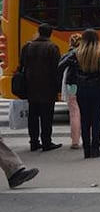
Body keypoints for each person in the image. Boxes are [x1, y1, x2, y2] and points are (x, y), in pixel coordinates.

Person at [60, 29, 100, 159]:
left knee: (85, 120)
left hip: (81, 89)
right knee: (96, 120)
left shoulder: (76, 53)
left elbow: (61, 65)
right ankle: (95, 149)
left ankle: (86, 150)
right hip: (99, 89)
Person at [21, 23, 62, 152]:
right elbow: (57, 69)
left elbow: (22, 65)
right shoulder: (52, 47)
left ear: (38, 32)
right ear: (50, 34)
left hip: (31, 86)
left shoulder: (28, 47)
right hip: (48, 88)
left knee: (33, 116)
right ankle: (46, 142)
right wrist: (59, 87)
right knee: (46, 117)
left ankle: (34, 142)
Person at [59, 33, 82, 149]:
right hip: (84, 85)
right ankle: (90, 138)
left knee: (74, 113)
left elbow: (60, 67)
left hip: (72, 85)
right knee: (86, 112)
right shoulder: (85, 54)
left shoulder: (68, 54)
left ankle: (75, 141)